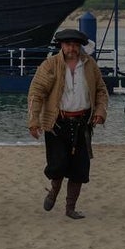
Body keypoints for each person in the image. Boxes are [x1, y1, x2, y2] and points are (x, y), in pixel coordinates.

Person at [27, 28, 108, 220]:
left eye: (75, 45)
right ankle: (54, 191)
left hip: (82, 123)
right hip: (57, 123)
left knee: (79, 168)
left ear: (80, 46)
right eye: (68, 44)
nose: (71, 48)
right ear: (61, 46)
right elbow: (36, 92)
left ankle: (70, 208)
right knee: (58, 164)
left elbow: (101, 91)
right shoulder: (50, 65)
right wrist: (33, 121)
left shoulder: (90, 65)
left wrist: (100, 112)